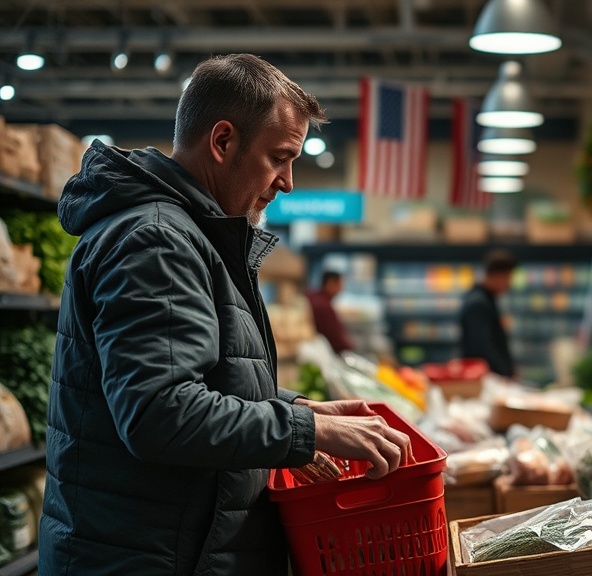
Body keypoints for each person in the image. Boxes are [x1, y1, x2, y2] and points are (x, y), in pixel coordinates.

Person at [40, 54, 411, 576]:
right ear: (222, 142)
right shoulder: (157, 241)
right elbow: (158, 412)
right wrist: (302, 431)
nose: (287, 182)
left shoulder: (191, 234)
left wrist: (297, 407)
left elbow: (196, 375)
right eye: (280, 157)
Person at [458, 249, 518, 378]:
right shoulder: (478, 303)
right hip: (485, 379)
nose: (509, 284)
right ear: (497, 275)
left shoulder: (486, 300)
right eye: (508, 278)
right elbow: (483, 348)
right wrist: (505, 373)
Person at [307, 270, 356, 353]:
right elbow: (334, 337)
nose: (341, 289)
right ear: (331, 283)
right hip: (321, 350)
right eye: (340, 285)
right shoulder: (322, 305)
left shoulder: (312, 296)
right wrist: (351, 346)